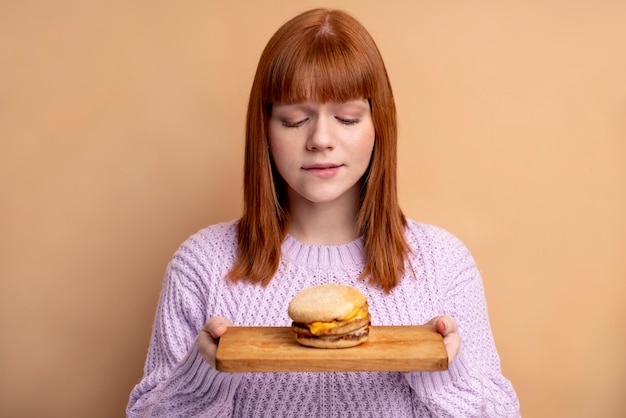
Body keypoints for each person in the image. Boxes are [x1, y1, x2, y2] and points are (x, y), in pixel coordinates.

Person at [127, 8, 520, 417]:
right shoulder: (202, 265)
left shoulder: (443, 264)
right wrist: (205, 374)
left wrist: (444, 373)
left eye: (347, 118)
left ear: (378, 124)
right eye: (295, 120)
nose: (321, 139)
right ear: (264, 129)